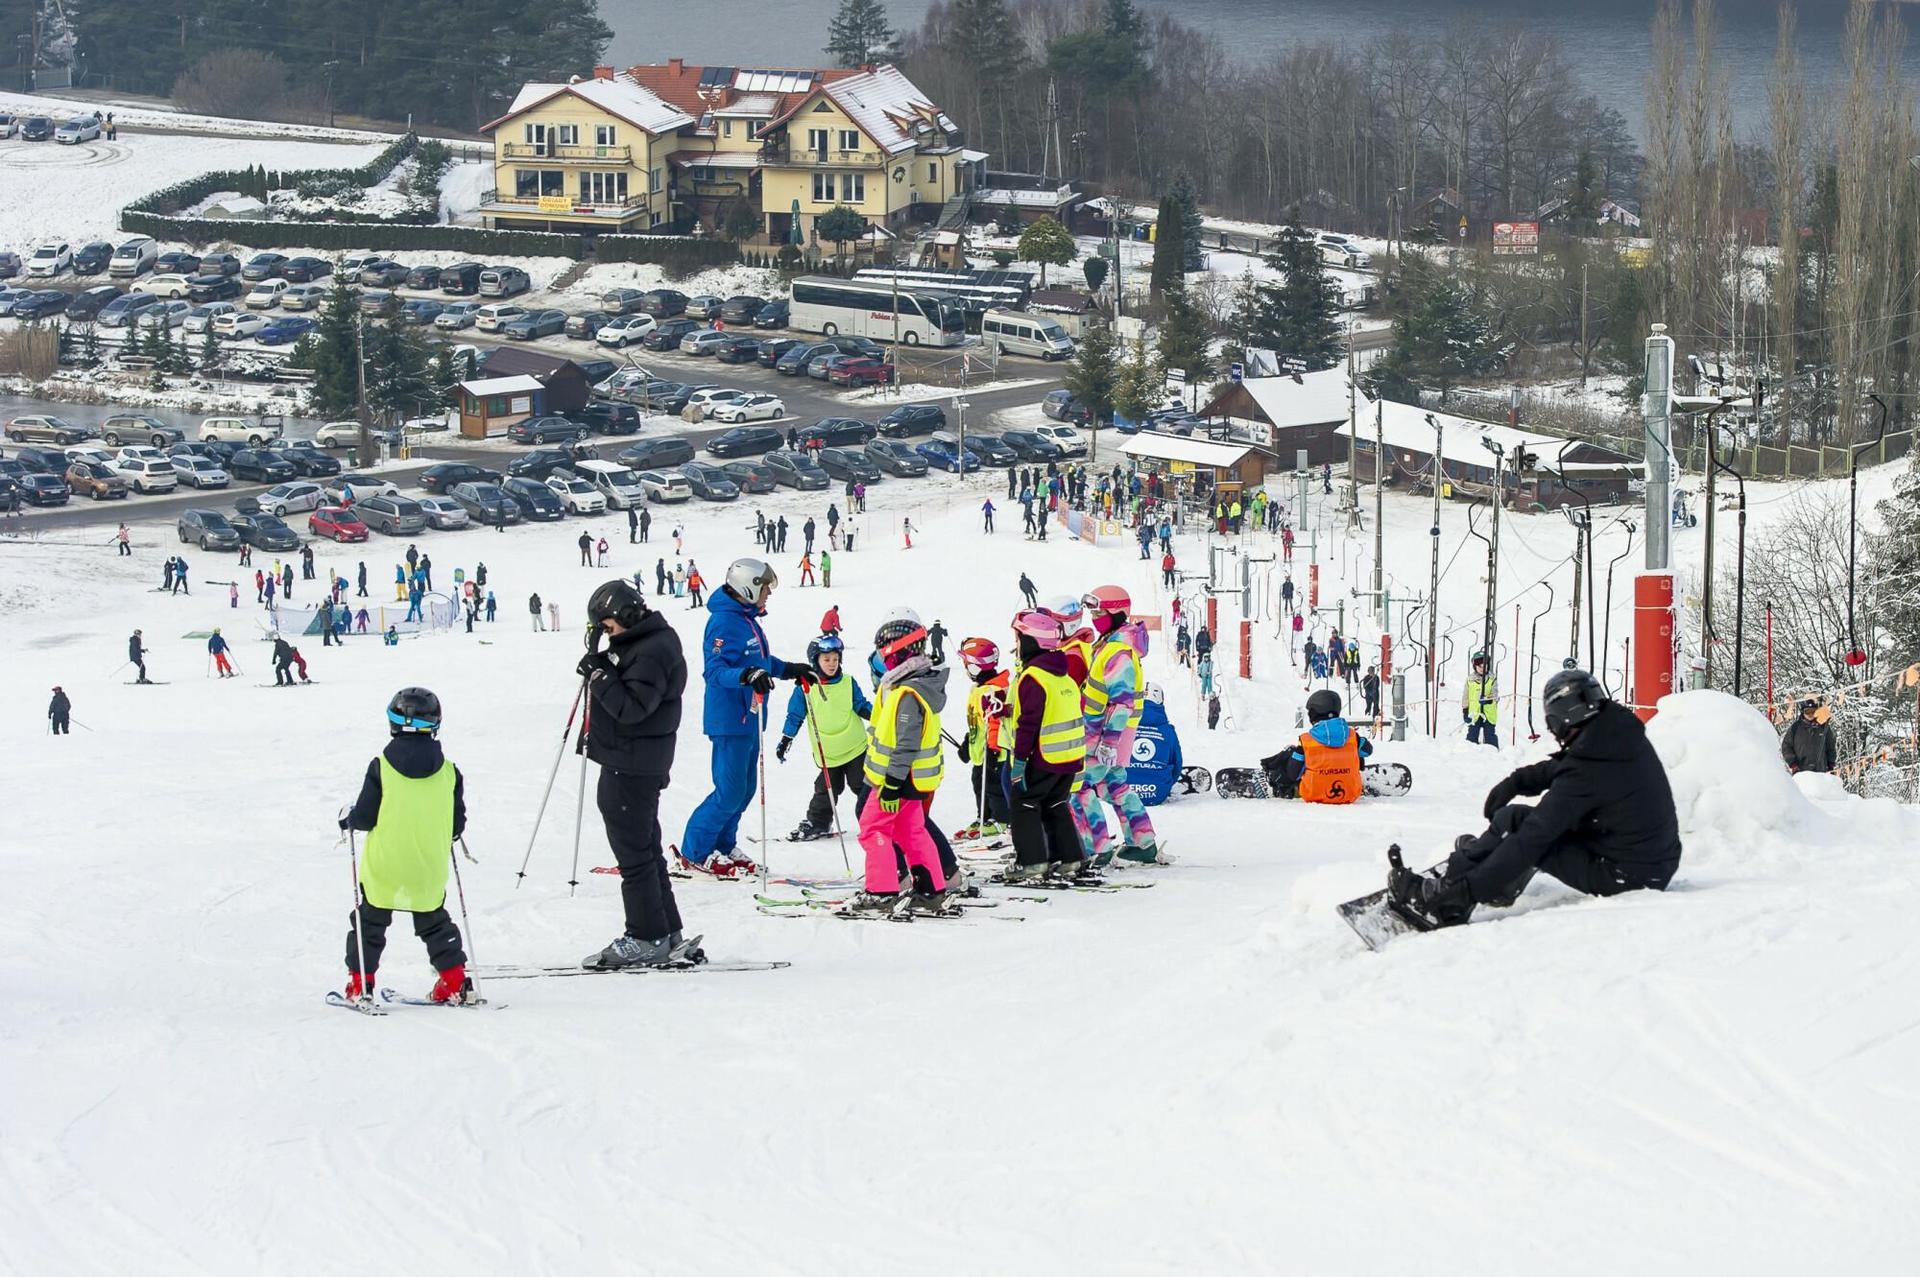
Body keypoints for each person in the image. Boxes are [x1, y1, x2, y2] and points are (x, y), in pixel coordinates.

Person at [1392, 669, 1684, 929]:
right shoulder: (1614, 735)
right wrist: (1517, 782)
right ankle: (1481, 868)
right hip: (1648, 860)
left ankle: (1448, 902)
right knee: (1514, 819)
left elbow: (1533, 838)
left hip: (1627, 877)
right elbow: (1570, 765)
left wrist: (1467, 891)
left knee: (1525, 833)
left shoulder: (1589, 769)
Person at [576, 580, 701, 969]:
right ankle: (665, 929)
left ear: (626, 617)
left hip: (632, 763)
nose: (607, 635)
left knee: (634, 855)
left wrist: (599, 676)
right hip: (633, 759)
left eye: (609, 627)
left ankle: (646, 935)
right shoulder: (646, 642)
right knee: (645, 849)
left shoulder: (651, 650)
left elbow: (632, 709)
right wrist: (603, 661)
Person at [676, 558, 811, 878]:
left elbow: (757, 658)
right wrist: (747, 675)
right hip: (729, 719)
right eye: (764, 587)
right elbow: (715, 671)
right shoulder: (724, 622)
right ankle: (695, 850)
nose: (768, 594)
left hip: (750, 719)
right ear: (747, 588)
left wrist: (786, 669)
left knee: (745, 789)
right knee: (729, 791)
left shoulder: (745, 619)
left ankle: (723, 843)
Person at [337, 687, 472, 1005]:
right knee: (434, 922)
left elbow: (366, 817)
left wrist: (349, 820)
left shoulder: (381, 767)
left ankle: (360, 985)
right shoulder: (450, 772)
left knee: (369, 923)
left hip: (384, 865)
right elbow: (456, 826)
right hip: (427, 865)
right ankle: (454, 982)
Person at [842, 611, 956, 917]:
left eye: (884, 652)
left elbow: (906, 743)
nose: (883, 659)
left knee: (872, 828)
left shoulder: (908, 692)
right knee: (910, 831)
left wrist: (891, 784)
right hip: (909, 779)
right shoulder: (912, 683)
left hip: (896, 779)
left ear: (898, 650)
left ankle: (881, 892)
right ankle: (932, 890)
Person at [1069, 585, 1160, 867]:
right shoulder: (1113, 643)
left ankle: (1094, 846)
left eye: (1100, 612)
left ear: (1118, 613)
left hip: (1104, 734)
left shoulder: (1119, 651)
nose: (1095, 618)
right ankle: (1142, 842)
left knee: (1077, 786)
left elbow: (1121, 703)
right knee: (1114, 785)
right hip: (1108, 733)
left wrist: (1108, 742)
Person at [1006, 610, 1088, 882]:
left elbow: (1029, 724)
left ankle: (1032, 863)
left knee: (1025, 805)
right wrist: (1007, 709)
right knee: (1055, 803)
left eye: (1019, 639)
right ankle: (1070, 858)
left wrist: (1019, 763)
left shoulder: (1033, 677)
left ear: (1032, 641)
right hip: (1070, 757)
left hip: (1045, 757)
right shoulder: (1061, 676)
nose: (1016, 645)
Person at [776, 634, 872, 840]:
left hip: (855, 747)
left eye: (835, 659)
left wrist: (880, 717)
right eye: (826, 659)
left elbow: (862, 705)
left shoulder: (847, 682)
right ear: (816, 661)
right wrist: (786, 739)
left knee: (863, 785)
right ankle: (818, 822)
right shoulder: (805, 688)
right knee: (826, 789)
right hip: (828, 752)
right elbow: (795, 716)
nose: (832, 664)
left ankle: (875, 818)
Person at [1262, 689, 1372, 802]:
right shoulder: (1353, 736)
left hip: (1314, 795)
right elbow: (1368, 751)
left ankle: (1280, 787)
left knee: (1295, 757)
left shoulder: (1306, 741)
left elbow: (1294, 774)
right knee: (1355, 752)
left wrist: (1291, 754)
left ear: (1315, 713)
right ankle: (1348, 780)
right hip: (1351, 794)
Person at [1127, 685, 1183, 806]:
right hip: (1158, 793)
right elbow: (1177, 763)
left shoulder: (1124, 726)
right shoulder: (1167, 731)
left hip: (1125, 792)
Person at [1780, 698, 1837, 774]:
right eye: (1807, 712)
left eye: (1812, 711)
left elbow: (1831, 746)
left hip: (1821, 771)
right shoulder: (1795, 728)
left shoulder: (1823, 727)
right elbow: (1786, 746)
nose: (1810, 715)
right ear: (1803, 712)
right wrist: (1793, 764)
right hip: (1800, 771)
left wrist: (1830, 764)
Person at [1463, 651, 1499, 747]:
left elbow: (1495, 695)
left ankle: (1493, 754)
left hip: (1489, 714)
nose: (1483, 669)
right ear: (1475, 667)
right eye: (1480, 666)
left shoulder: (1492, 679)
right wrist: (1465, 711)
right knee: (1472, 736)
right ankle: (1470, 753)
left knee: (1490, 735)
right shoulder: (1470, 680)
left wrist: (1489, 700)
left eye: (1485, 666)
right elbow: (1465, 697)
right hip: (1474, 714)